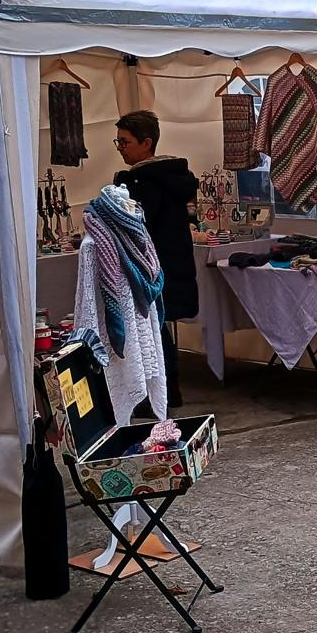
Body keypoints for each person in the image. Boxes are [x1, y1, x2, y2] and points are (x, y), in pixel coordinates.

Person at [113, 110, 199, 409]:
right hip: (165, 265)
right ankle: (164, 391)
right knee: (154, 328)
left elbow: (137, 227)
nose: (120, 148)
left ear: (146, 143)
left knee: (150, 330)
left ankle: (159, 392)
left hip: (151, 268)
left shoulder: (143, 183)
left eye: (125, 142)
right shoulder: (170, 179)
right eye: (118, 142)